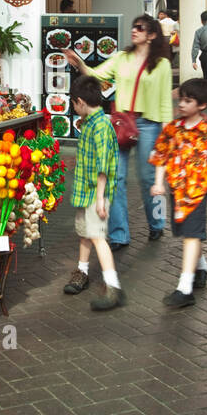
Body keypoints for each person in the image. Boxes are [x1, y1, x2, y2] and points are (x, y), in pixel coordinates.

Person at [66, 14, 173, 247]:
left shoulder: (162, 64)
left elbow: (165, 101)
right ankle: (118, 234)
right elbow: (97, 74)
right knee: (116, 178)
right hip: (122, 122)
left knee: (149, 179)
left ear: (152, 34)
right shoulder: (121, 58)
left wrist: (168, 132)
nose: (134, 31)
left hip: (150, 124)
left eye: (140, 27)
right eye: (133, 27)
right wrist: (80, 63)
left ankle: (157, 222)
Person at [149, 77, 207, 309]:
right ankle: (201, 265)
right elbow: (161, 155)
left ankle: (185, 288)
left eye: (188, 101)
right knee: (187, 233)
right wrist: (158, 183)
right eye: (181, 99)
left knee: (191, 235)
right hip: (177, 190)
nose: (181, 104)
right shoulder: (173, 129)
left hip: (198, 192)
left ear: (202, 105)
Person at [63, 77, 124, 310]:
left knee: (98, 237)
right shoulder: (90, 122)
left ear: (79, 101)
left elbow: (103, 167)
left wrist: (100, 199)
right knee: (86, 233)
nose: (73, 107)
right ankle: (83, 271)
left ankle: (112, 287)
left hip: (95, 194)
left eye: (73, 103)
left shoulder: (100, 126)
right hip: (86, 191)